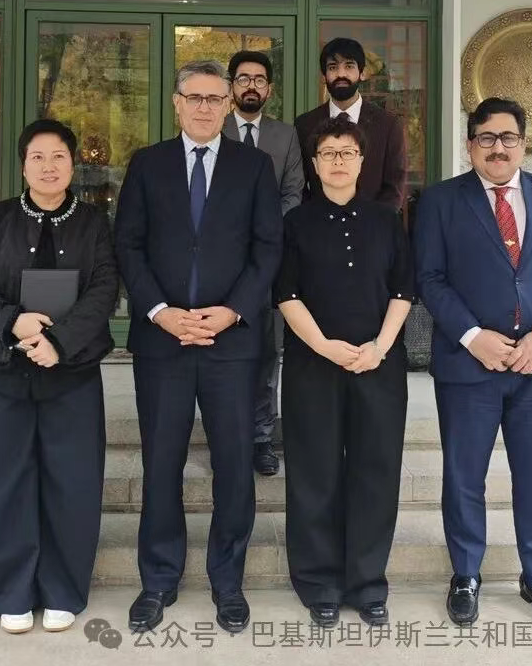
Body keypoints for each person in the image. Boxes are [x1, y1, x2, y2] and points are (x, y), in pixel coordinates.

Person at [114, 59, 282, 635]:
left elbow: (267, 250)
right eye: (196, 96)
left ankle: (227, 580)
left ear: (230, 104)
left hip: (231, 342)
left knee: (235, 465)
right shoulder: (146, 164)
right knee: (162, 462)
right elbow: (128, 246)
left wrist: (232, 309)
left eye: (218, 97)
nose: (207, 106)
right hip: (163, 342)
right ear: (177, 102)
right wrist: (162, 313)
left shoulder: (255, 167)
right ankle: (158, 579)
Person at [414, 97, 532, 630]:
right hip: (470, 367)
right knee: (464, 476)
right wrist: (473, 336)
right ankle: (465, 573)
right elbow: (430, 279)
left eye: (508, 137)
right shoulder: (441, 201)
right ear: (470, 144)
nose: (498, 147)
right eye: (486, 137)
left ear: (523, 142)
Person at [0, 119, 118, 635]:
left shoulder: (94, 222)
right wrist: (12, 322)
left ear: (73, 164)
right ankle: (12, 591)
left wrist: (60, 342)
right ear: (23, 164)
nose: (48, 167)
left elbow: (104, 289)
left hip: (70, 374)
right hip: (4, 370)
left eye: (58, 157)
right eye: (37, 157)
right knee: (1, 482)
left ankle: (63, 590)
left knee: (71, 483)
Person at [275, 113, 413, 630]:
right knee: (315, 475)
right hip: (314, 366)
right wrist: (326, 348)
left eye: (347, 153)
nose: (338, 161)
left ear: (361, 161)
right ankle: (319, 583)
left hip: (379, 366)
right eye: (328, 153)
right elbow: (285, 294)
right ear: (313, 164)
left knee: (375, 472)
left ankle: (367, 583)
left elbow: (403, 290)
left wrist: (378, 346)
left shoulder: (385, 219)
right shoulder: (295, 222)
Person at [222, 49, 304, 477]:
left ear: (268, 89)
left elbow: (293, 192)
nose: (250, 85)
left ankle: (260, 437)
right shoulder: (214, 131)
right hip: (222, 261)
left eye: (258, 79)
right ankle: (229, 435)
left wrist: (264, 230)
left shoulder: (285, 136)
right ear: (231, 87)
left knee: (268, 352)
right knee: (228, 352)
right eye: (242, 78)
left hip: (271, 259)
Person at [294, 37, 406, 209]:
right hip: (320, 228)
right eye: (333, 67)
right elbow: (298, 185)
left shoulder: (388, 125)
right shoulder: (305, 125)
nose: (341, 74)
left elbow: (395, 186)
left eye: (349, 66)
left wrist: (374, 224)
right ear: (324, 76)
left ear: (362, 73)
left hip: (372, 229)